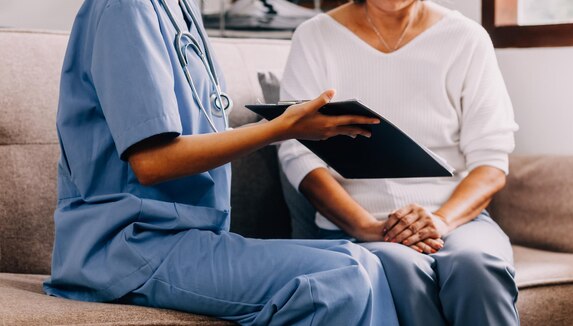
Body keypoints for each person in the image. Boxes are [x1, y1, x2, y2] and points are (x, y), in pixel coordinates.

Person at [42, 0, 401, 325]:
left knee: (367, 262)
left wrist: (286, 126)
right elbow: (151, 162)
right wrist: (279, 129)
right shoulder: (126, 9)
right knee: (342, 277)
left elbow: (197, 127)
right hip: (126, 247)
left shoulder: (180, 9)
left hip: (184, 237)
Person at [278, 0, 520, 325]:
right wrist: (366, 227)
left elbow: (490, 161)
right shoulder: (314, 37)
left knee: (476, 264)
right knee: (399, 266)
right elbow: (298, 154)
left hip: (457, 220)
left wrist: (441, 221)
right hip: (352, 225)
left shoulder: (467, 38)